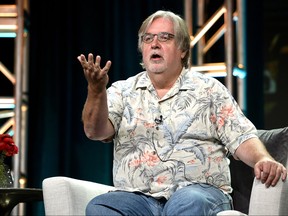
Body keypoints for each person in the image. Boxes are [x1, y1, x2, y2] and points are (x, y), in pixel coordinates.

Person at [77, 10, 287, 216]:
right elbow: (94, 131)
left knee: (186, 203)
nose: (155, 43)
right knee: (102, 207)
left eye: (165, 37)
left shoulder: (208, 90)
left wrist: (262, 158)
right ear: (142, 48)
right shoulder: (122, 91)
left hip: (199, 193)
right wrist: (96, 91)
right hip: (138, 198)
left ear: (183, 49)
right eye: (148, 38)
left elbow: (241, 136)